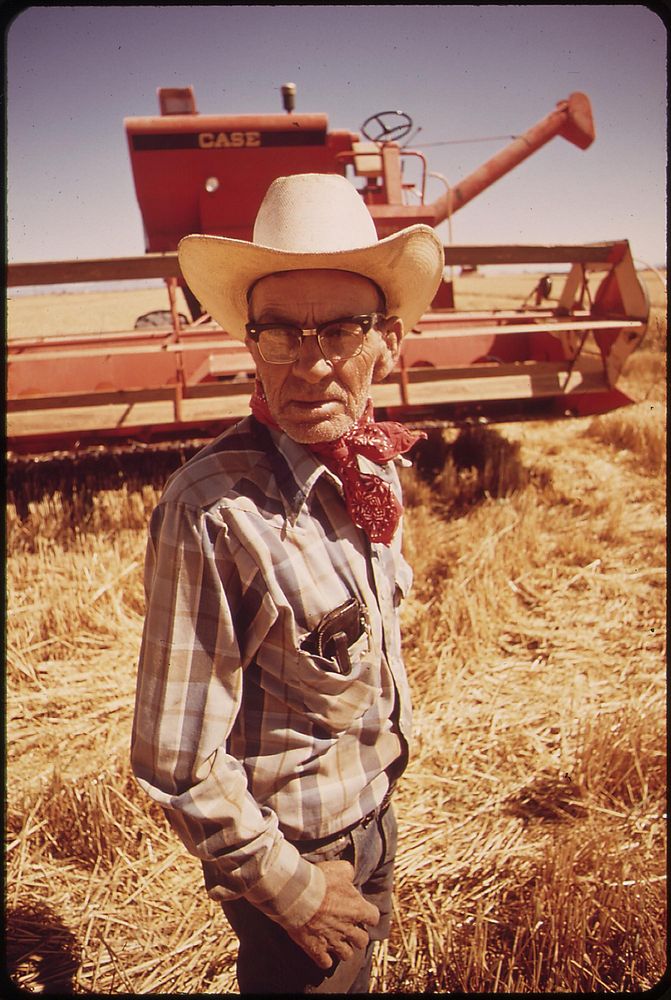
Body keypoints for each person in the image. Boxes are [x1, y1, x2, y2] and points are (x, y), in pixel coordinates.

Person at [131, 173, 444, 994]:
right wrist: (294, 893)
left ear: (390, 339)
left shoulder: (374, 468)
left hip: (373, 818)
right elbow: (175, 759)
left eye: (341, 330)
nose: (310, 367)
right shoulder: (212, 511)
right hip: (295, 858)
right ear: (248, 343)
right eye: (280, 334)